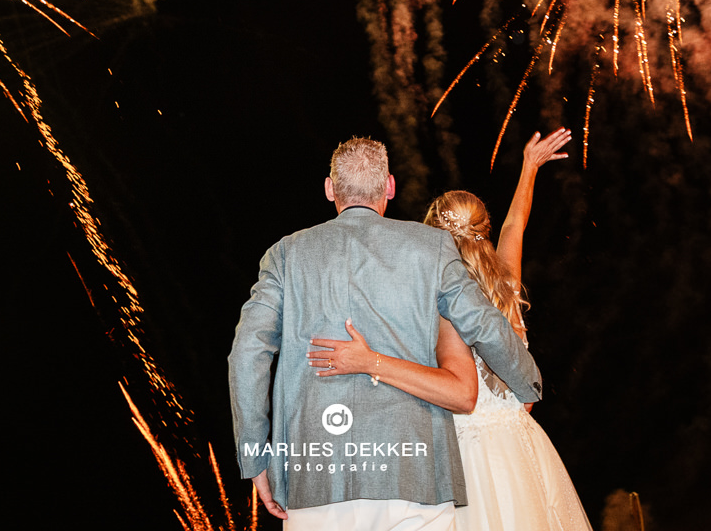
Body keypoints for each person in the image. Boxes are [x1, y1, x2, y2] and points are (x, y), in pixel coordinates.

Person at [229, 137, 542, 531]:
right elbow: (483, 323)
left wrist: (255, 458)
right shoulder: (432, 248)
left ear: (329, 189)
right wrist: (526, 383)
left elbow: (247, 353)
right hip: (414, 478)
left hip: (315, 477)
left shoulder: (286, 255)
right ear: (389, 187)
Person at [308, 129, 593, 531]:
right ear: (483, 229)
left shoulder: (434, 301)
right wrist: (529, 168)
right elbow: (516, 227)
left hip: (462, 451)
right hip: (518, 445)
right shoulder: (505, 285)